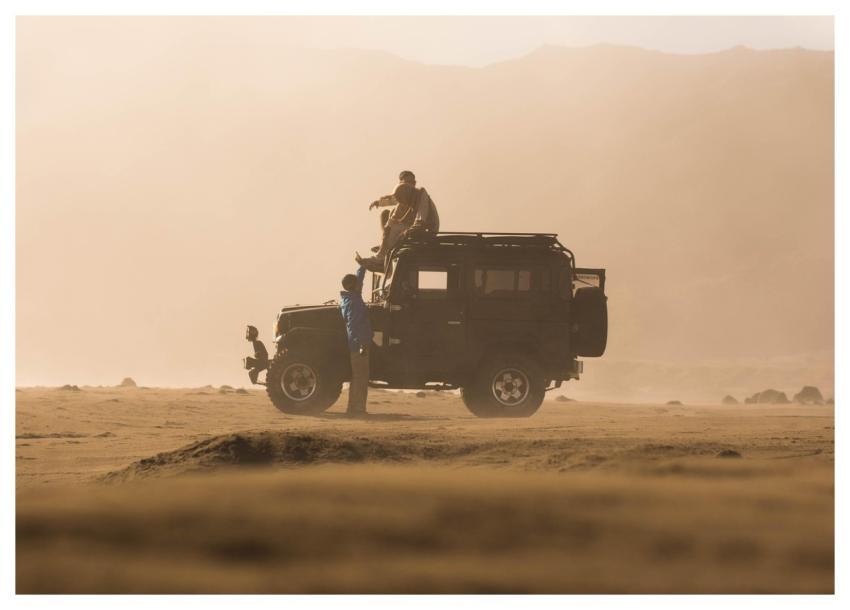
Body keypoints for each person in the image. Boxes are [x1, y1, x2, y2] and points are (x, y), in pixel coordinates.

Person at [357, 171, 440, 271]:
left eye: (412, 182)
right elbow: (395, 199)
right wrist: (379, 202)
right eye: (408, 182)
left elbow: (421, 221)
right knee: (387, 215)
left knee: (393, 225)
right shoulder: (408, 194)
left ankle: (382, 256)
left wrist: (406, 232)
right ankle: (385, 247)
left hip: (427, 230)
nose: (411, 184)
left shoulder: (420, 195)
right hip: (418, 227)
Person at [339, 265, 372, 416]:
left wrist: (363, 265)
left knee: (357, 377)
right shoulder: (354, 302)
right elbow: (354, 325)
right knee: (360, 377)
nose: (360, 285)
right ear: (353, 286)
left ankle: (352, 408)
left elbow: (359, 280)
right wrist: (362, 343)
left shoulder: (349, 299)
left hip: (355, 342)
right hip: (358, 343)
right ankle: (358, 409)